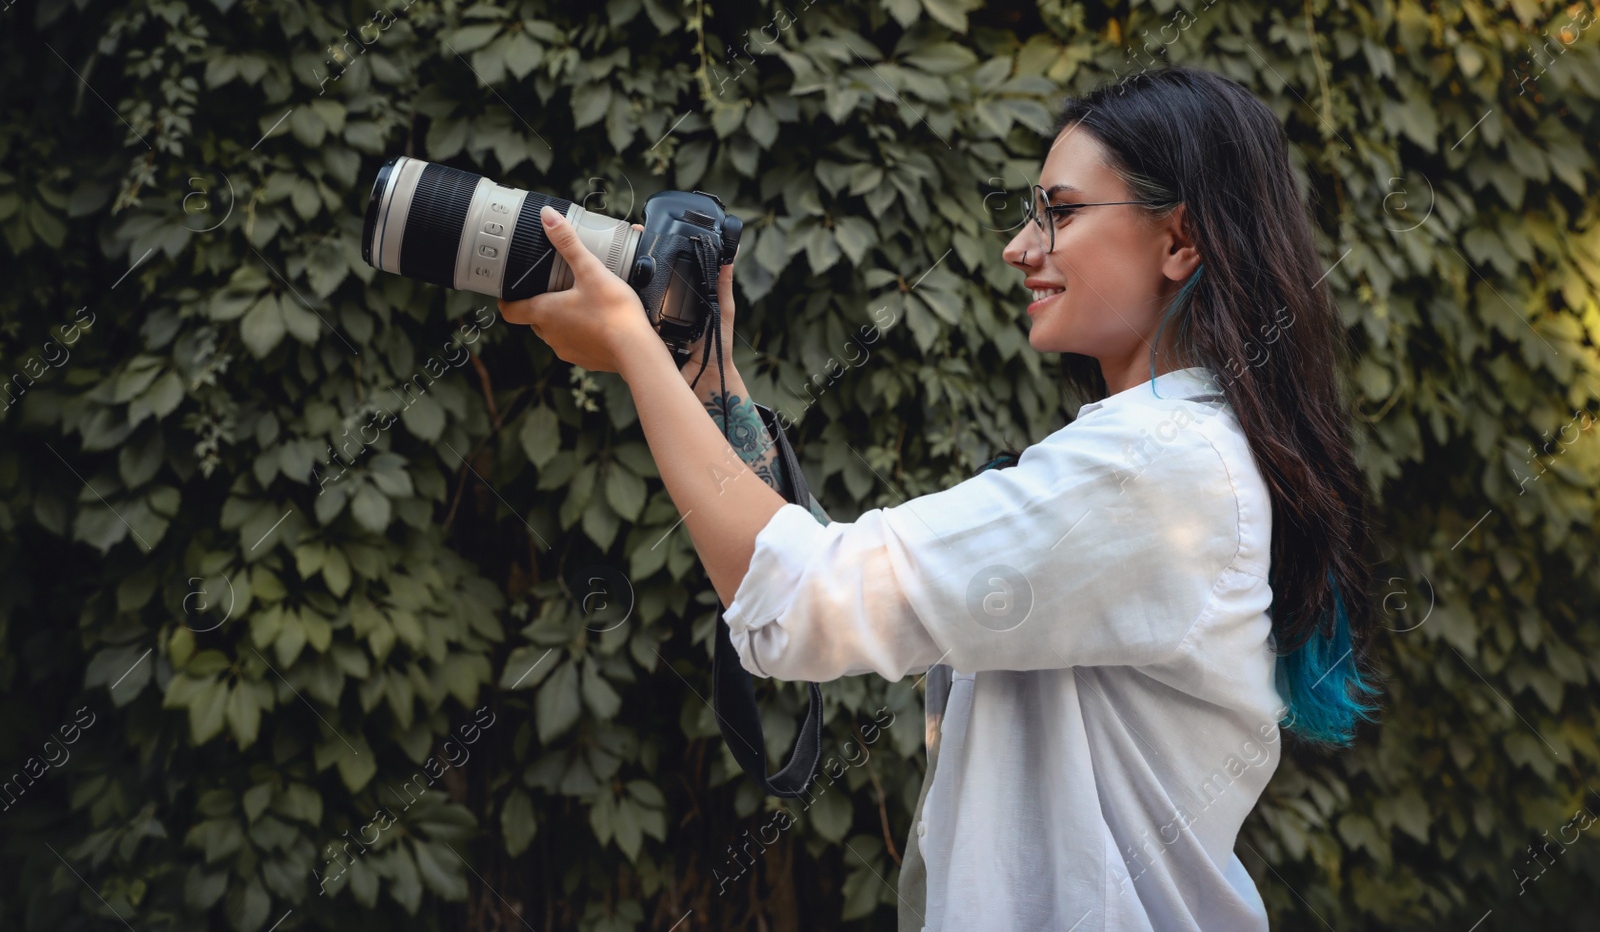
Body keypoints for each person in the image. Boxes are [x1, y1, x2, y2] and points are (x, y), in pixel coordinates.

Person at [499, 64, 1381, 931]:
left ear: (1180, 241)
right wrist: (712, 385)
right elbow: (812, 562)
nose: (1020, 247)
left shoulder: (1154, 464)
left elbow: (802, 598)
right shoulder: (1173, 449)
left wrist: (629, 339)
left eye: (1061, 213)